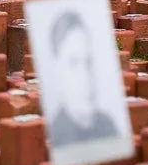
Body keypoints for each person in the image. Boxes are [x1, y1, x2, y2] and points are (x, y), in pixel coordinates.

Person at [44, 8, 123, 146]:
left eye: (88, 62)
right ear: (57, 69)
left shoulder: (108, 126)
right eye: (73, 63)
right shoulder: (55, 134)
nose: (85, 76)